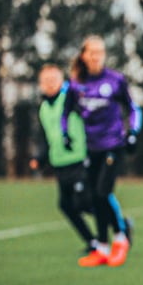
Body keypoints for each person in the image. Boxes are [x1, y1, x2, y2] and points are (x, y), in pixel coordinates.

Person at [62, 35, 141, 268]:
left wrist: (133, 132)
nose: (97, 56)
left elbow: (133, 108)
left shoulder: (115, 80)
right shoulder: (76, 83)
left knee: (102, 192)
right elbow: (66, 114)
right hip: (91, 148)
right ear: (84, 55)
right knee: (93, 197)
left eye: (101, 52)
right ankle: (102, 247)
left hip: (113, 146)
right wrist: (65, 134)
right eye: (92, 52)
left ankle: (120, 238)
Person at [29, 64, 103, 263]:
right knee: (66, 205)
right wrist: (39, 158)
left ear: (61, 80)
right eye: (45, 81)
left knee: (84, 202)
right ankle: (93, 241)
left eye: (53, 80)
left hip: (79, 159)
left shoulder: (72, 99)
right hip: (60, 163)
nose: (49, 84)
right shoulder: (44, 108)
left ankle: (118, 224)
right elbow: (48, 137)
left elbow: (91, 121)